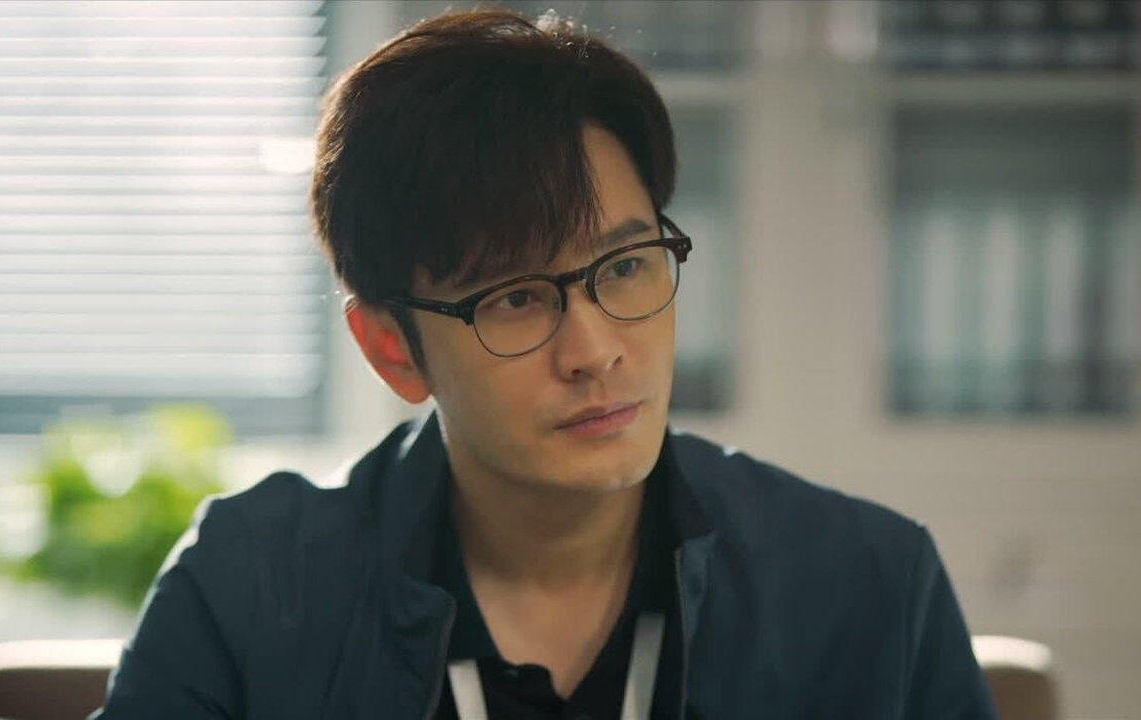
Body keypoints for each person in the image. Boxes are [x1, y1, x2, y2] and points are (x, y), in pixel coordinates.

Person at [92, 9, 997, 719]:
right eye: (515, 298)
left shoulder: (869, 584)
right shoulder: (252, 586)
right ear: (393, 348)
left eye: (626, 267)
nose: (596, 352)